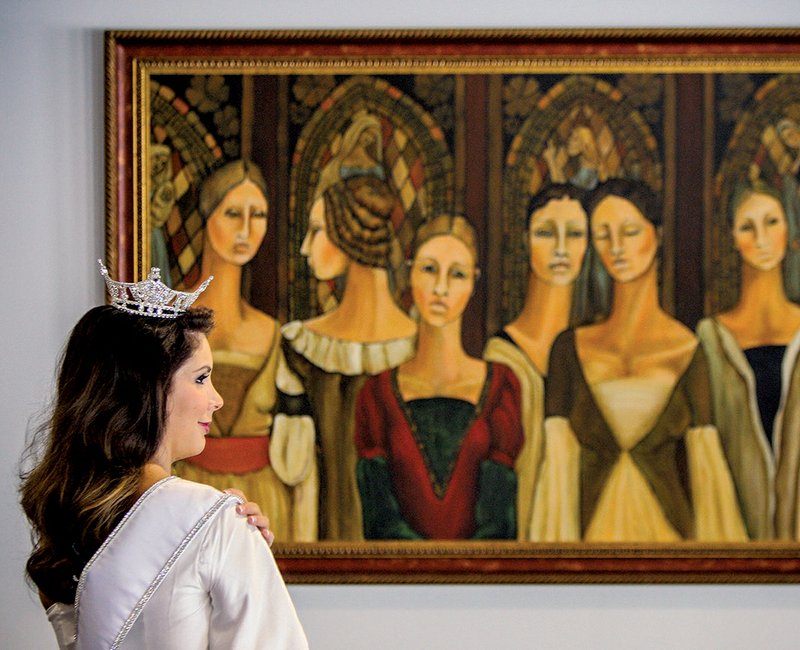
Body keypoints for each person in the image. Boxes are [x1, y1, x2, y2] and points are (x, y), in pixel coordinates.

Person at [19, 262, 308, 649]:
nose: (216, 399)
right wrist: (228, 534)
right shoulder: (216, 521)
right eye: (201, 378)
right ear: (149, 390)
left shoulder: (69, 526)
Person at [530, 178, 747, 542]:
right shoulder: (568, 350)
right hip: (589, 557)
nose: (616, 247)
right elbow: (555, 485)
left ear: (657, 235)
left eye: (630, 231)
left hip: (669, 555)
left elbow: (712, 498)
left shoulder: (689, 351)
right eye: (602, 234)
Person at [174, 159, 318, 543]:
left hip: (264, 500)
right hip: (186, 495)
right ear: (206, 216)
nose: (246, 230)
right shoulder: (172, 324)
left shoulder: (271, 333)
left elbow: (298, 453)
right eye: (233, 213)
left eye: (258, 215)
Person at [355, 215, 523, 539]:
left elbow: (499, 525)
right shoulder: (375, 396)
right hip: (397, 584)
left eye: (457, 274)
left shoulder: (502, 388)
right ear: (410, 272)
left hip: (481, 584)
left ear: (473, 281)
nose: (441, 288)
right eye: (429, 269)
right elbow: (380, 523)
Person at [282, 174, 417, 540]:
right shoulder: (301, 347)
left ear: (349, 234)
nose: (306, 249)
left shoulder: (418, 348)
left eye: (317, 231)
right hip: (322, 546)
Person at [484, 183, 599, 540]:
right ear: (525, 241)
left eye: (575, 234)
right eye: (546, 233)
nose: (561, 249)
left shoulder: (597, 349)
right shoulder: (499, 358)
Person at [697, 181, 800, 539]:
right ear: (731, 239)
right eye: (747, 226)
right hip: (734, 533)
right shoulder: (710, 340)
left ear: (790, 230)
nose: (761, 238)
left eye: (772, 222)